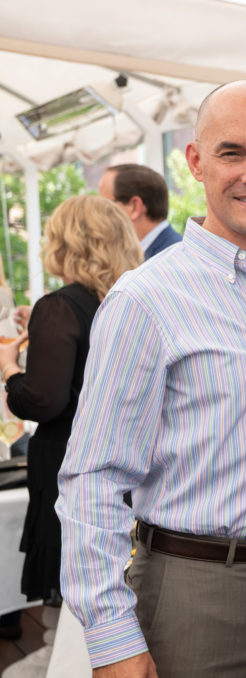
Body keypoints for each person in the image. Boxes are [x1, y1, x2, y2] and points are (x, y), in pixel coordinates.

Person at [56, 81, 246, 678]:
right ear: (195, 162)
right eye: (232, 152)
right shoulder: (147, 299)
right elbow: (93, 477)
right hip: (195, 594)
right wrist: (111, 640)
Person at [0, 196, 142, 608]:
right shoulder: (129, 300)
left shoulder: (60, 306)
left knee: (75, 580)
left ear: (66, 243)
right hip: (127, 456)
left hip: (71, 460)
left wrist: (9, 368)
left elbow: (43, 400)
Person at [98, 163, 181, 259]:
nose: (99, 213)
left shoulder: (169, 259)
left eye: (104, 204)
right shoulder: (146, 252)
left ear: (134, 207)